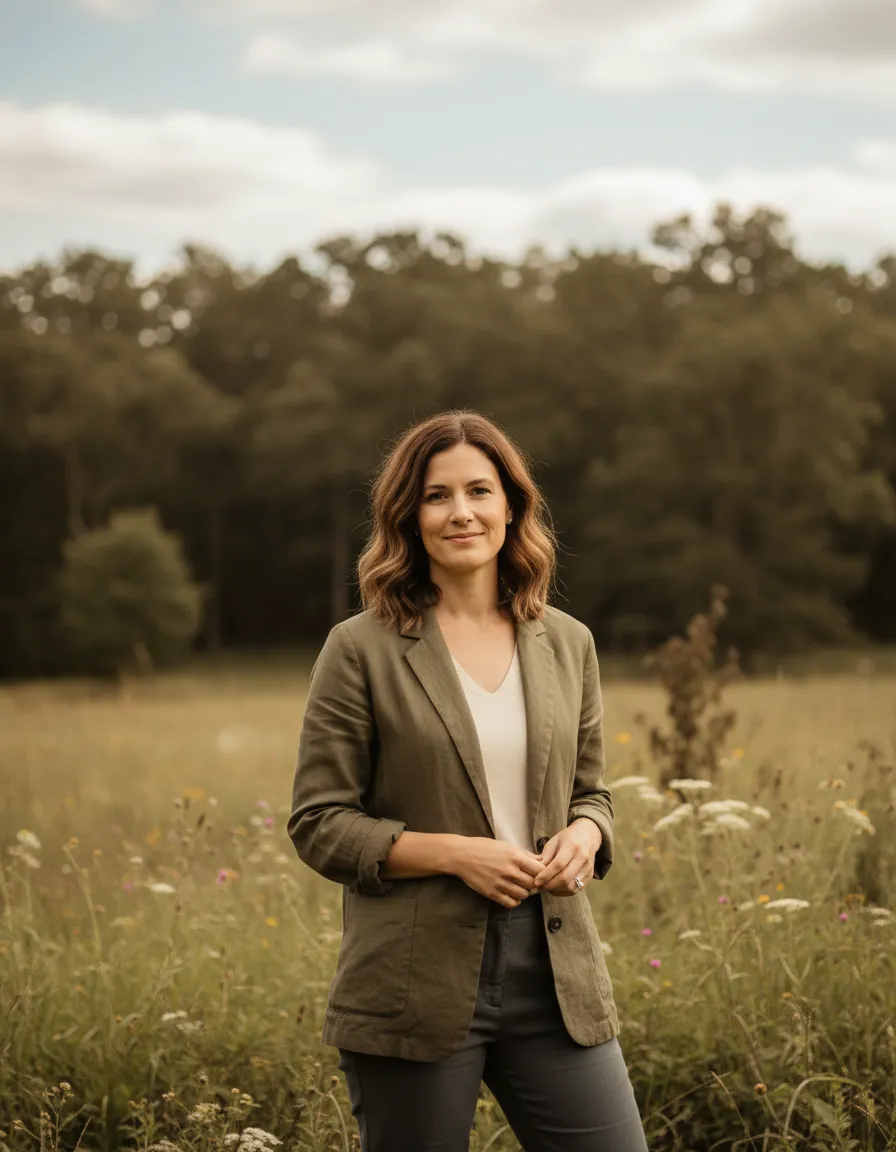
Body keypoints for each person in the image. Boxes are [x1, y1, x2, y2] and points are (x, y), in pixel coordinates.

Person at [287, 410, 649, 1151]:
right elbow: (319, 822)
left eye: (479, 491)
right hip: (412, 982)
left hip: (556, 974)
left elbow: (592, 793)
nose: (461, 512)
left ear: (510, 506)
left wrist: (587, 833)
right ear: (408, 517)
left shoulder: (569, 643)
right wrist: (456, 854)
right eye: (436, 496)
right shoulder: (358, 649)